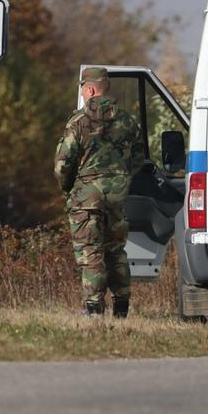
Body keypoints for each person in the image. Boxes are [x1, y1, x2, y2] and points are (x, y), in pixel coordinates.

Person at [54, 67, 144, 317]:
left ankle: (94, 310)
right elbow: (138, 160)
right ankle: (122, 309)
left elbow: (62, 165)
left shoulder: (78, 121)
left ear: (90, 89)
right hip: (117, 197)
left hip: (86, 198)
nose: (83, 95)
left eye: (83, 90)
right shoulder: (127, 121)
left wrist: (69, 188)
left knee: (91, 252)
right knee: (116, 251)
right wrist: (121, 181)